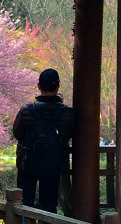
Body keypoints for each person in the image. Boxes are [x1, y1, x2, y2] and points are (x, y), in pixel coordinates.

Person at [11, 68, 76, 213]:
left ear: (39, 86)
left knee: (24, 203)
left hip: (28, 163)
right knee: (49, 205)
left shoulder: (26, 110)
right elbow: (70, 134)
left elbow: (17, 133)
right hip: (54, 164)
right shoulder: (68, 113)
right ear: (57, 86)